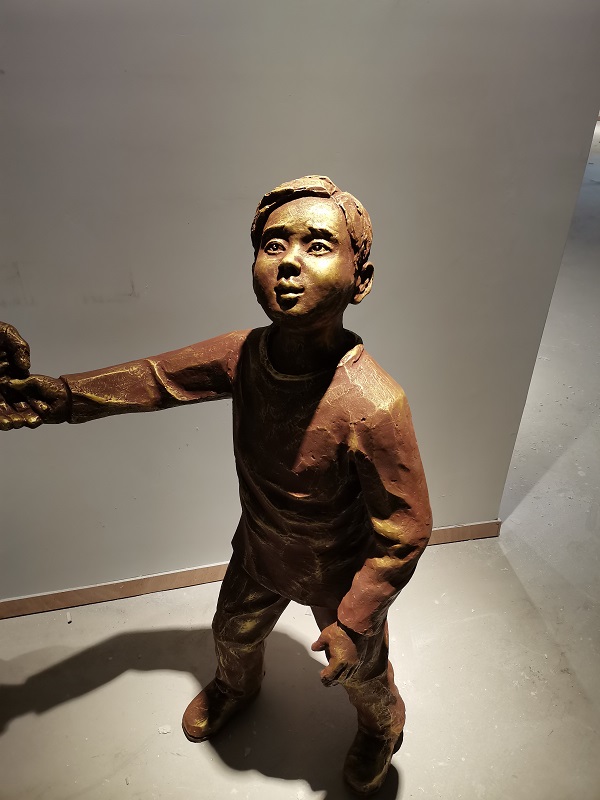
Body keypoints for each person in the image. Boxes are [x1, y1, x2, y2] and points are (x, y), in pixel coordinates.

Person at [0, 176, 432, 796]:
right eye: (273, 245)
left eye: (317, 246)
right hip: (259, 552)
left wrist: (356, 616)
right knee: (232, 633)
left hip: (340, 572)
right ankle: (237, 686)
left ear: (360, 279)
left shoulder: (374, 404)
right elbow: (154, 379)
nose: (288, 263)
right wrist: (59, 397)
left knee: (360, 671)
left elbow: (406, 528)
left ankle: (380, 726)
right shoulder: (243, 355)